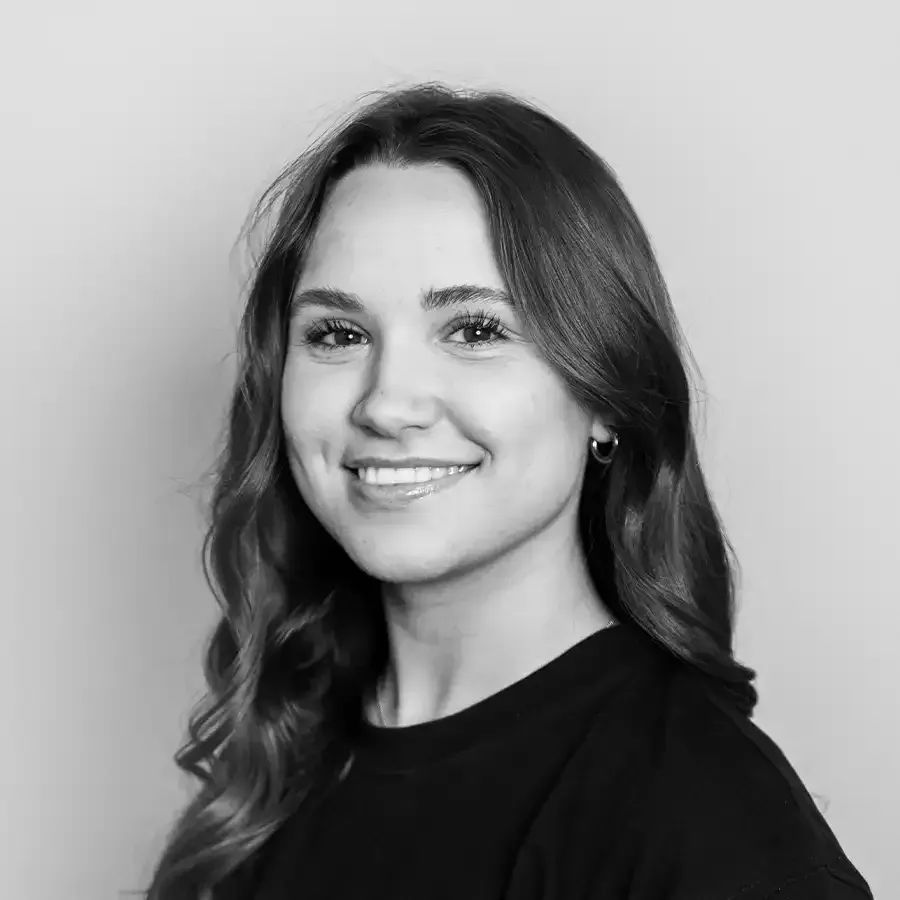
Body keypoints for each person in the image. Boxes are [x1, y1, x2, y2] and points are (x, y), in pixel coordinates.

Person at [144, 83, 873, 900]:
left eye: (476, 331)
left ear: (605, 395)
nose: (387, 402)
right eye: (338, 334)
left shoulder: (710, 828)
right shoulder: (283, 760)